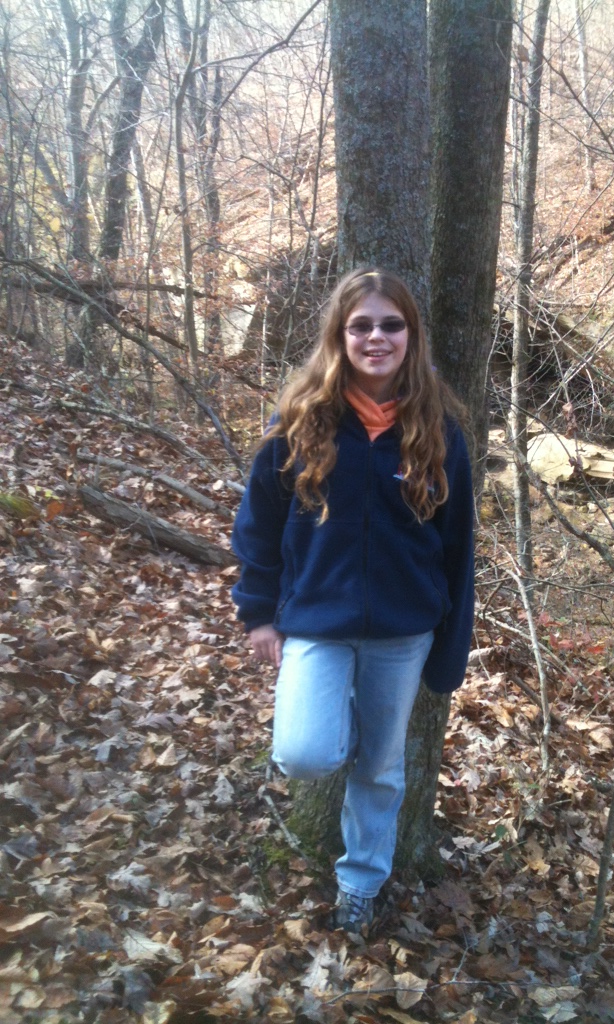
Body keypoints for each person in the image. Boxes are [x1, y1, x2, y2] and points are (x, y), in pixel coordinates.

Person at [231, 266, 475, 933]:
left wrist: (451, 649)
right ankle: (337, 717)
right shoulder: (300, 421)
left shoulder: (439, 430)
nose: (376, 338)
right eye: (360, 325)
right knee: (306, 752)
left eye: (391, 325)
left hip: (404, 631)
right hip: (316, 621)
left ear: (410, 335)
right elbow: (258, 526)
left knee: (382, 766)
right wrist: (257, 613)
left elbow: (457, 546)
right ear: (339, 335)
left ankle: (361, 883)